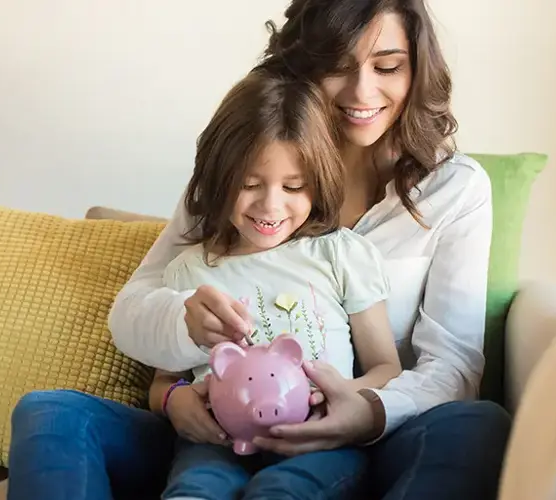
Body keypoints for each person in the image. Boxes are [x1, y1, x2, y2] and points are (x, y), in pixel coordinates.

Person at [8, 1, 512, 499]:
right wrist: (180, 371)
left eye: (387, 66)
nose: (362, 90)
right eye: (338, 65)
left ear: (417, 71)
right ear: (303, 64)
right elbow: (134, 312)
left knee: (477, 424)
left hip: (372, 439)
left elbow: (452, 367)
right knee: (50, 413)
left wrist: (369, 412)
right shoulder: (237, 176)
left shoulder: (456, 190)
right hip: (216, 437)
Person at [150, 69, 402, 500]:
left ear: (317, 184)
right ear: (217, 179)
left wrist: (337, 397)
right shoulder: (187, 271)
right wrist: (175, 402)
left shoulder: (340, 254)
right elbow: (162, 381)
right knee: (193, 490)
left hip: (318, 441)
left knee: (283, 491)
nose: (270, 205)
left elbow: (386, 368)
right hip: (218, 443)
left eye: (293, 186)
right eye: (249, 184)